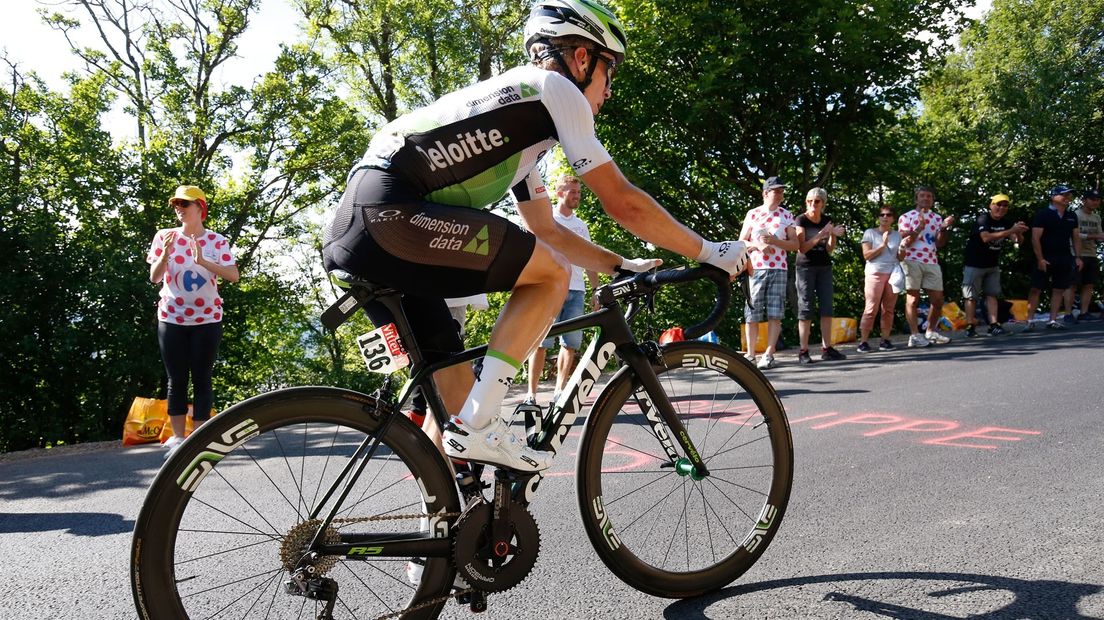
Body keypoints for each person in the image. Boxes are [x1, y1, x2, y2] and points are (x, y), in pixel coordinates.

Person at [320, 0, 747, 473]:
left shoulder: (520, 129)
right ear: (583, 58)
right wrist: (711, 251)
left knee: (454, 401)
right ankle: (481, 425)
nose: (608, 91)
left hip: (361, 230)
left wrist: (618, 265)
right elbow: (620, 200)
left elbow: (545, 227)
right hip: (391, 217)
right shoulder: (553, 89)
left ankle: (445, 524)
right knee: (550, 277)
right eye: (611, 73)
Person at [146, 185, 240, 457]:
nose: (179, 209)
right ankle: (177, 438)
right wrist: (164, 254)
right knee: (176, 379)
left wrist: (203, 261)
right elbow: (154, 277)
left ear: (200, 208)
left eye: (185, 204)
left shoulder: (216, 241)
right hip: (172, 318)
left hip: (207, 320)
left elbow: (233, 276)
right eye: (176, 204)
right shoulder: (164, 236)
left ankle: (198, 439)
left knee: (202, 378)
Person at [525, 174, 599, 408]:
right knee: (541, 342)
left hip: (576, 290)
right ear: (559, 193)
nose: (577, 196)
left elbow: (590, 259)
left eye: (578, 192)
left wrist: (596, 289)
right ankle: (531, 394)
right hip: (551, 289)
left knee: (571, 343)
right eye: (572, 192)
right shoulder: (548, 222)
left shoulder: (581, 226)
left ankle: (559, 390)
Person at [738, 177, 798, 369]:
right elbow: (741, 242)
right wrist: (758, 245)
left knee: (775, 312)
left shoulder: (786, 215)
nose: (780, 194)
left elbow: (795, 244)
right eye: (776, 191)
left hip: (779, 268)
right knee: (752, 310)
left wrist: (774, 241)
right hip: (755, 268)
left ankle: (769, 354)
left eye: (782, 191)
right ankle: (750, 354)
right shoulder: (753, 214)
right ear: (766, 193)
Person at [960, 193, 1028, 337]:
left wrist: (1019, 232)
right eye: (998, 204)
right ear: (991, 205)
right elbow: (985, 238)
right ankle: (970, 326)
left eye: (1005, 205)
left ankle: (993, 325)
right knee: (971, 296)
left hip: (992, 264)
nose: (1001, 208)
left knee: (992, 295)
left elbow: (1017, 241)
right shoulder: (983, 219)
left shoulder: (1007, 222)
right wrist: (1011, 230)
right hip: (974, 263)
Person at [898, 185, 955, 347]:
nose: (925, 198)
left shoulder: (937, 218)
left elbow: (940, 243)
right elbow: (903, 239)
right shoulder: (906, 217)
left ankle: (930, 332)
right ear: (916, 198)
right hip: (911, 260)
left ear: (933, 199)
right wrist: (919, 228)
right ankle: (915, 335)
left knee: (938, 300)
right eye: (922, 196)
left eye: (929, 196)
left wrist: (944, 228)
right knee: (912, 299)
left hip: (931, 260)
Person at [794, 187, 846, 364]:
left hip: (824, 266)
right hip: (805, 267)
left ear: (823, 203)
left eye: (816, 201)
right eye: (809, 201)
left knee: (827, 307)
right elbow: (802, 248)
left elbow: (830, 248)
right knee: (806, 308)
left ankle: (827, 348)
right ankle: (803, 351)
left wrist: (832, 235)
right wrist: (821, 234)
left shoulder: (826, 220)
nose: (812, 204)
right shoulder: (801, 220)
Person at [1025, 185, 1083, 330]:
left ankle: (1052, 320)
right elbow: (1035, 238)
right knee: (1036, 288)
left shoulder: (1071, 215)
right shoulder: (1043, 214)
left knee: (1059, 288)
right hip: (1045, 256)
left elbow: (1076, 237)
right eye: (1063, 194)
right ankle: (1030, 321)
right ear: (1053, 197)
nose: (1067, 198)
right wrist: (1040, 259)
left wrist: (1077, 257)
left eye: (1069, 195)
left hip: (1064, 257)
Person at [857, 206, 903, 352]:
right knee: (871, 308)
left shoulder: (897, 235)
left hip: (893, 273)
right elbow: (866, 256)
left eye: (888, 215)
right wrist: (882, 245)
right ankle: (863, 342)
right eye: (882, 215)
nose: (885, 217)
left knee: (888, 309)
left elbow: (900, 257)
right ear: (878, 217)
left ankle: (885, 340)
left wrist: (903, 251)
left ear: (893, 218)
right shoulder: (870, 233)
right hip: (874, 273)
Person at [1074, 189, 1103, 320]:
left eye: (1097, 199)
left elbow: (1100, 235)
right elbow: (1074, 235)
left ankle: (1083, 312)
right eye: (1092, 199)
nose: (1095, 202)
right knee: (1072, 284)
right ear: (1084, 200)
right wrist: (1092, 236)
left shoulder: (1096, 217)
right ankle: (1069, 312)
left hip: (1091, 253)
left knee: (1089, 284)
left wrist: (1098, 237)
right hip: (1076, 253)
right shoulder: (1076, 215)